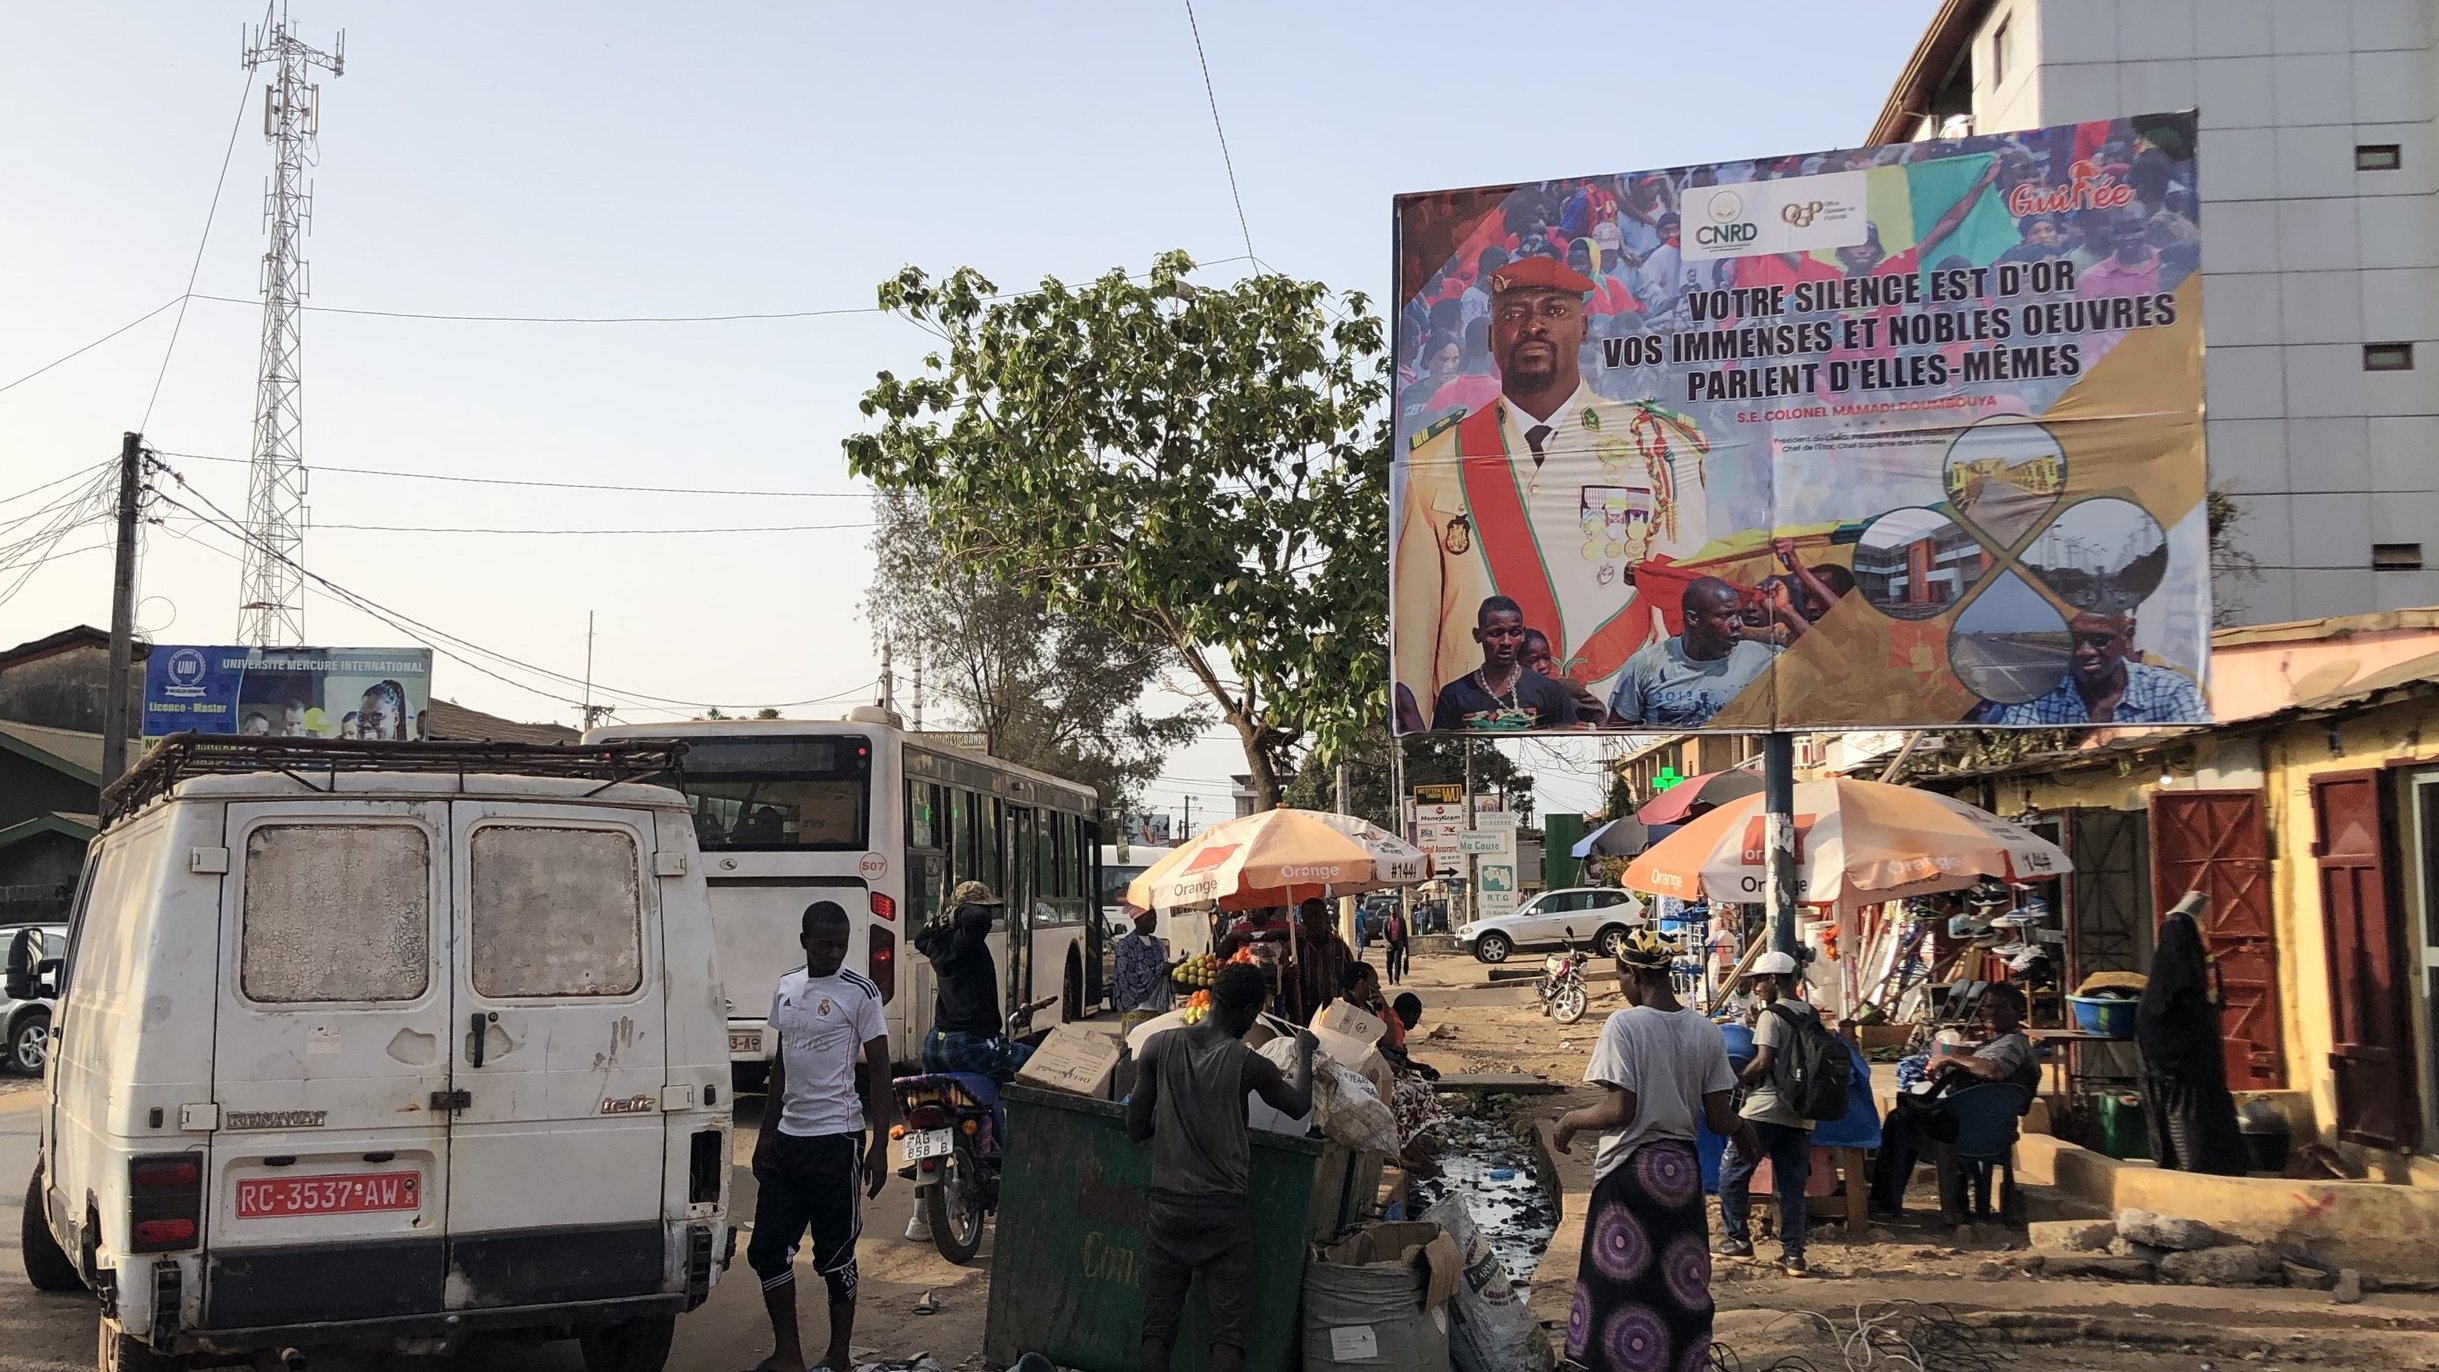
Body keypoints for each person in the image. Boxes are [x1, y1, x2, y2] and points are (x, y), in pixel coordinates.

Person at [1392, 255, 1713, 732]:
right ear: (1490, 335)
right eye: (1514, 313)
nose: (1533, 326)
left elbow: (1678, 604)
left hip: (1613, 720)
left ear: (1583, 327)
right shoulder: (1439, 455)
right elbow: (1414, 625)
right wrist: (1419, 735)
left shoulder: (1656, 445)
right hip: (1478, 728)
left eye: (1555, 311)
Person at [1551, 930, 1757, 1372]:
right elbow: (1720, 1119)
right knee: (1680, 1282)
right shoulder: (1705, 1030)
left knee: (1619, 1283)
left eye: (1620, 974)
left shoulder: (1624, 1025)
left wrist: (1570, 1120)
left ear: (1633, 974)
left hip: (1631, 1172)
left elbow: (1619, 1109)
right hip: (1680, 1173)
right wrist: (1742, 1130)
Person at [1129, 965, 1316, 1372]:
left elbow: (1135, 1128)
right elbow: (1299, 1105)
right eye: (1255, 1014)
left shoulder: (1157, 1048)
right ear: (1248, 1011)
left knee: (1158, 1330)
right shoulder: (1249, 1065)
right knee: (1227, 1335)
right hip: (1223, 1214)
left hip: (1167, 1208)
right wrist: (1304, 1052)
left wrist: (1172, 1115)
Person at [748, 901, 892, 1372]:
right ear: (804, 940)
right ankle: (787, 1352)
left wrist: (879, 1145)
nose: (833, 952)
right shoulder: (787, 987)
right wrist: (765, 1137)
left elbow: (880, 1072)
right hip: (789, 1141)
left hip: (838, 1141)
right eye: (825, 943)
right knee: (767, 1250)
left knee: (835, 1257)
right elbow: (782, 1063)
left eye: (841, 944)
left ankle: (838, 1355)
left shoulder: (861, 993)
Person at [1868, 984, 2037, 1218]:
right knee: (1909, 1111)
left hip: (1976, 1128)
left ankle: (1884, 1202)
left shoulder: (2011, 1045)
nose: (1991, 1013)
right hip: (1977, 1123)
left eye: (2000, 1008)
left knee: (1901, 1120)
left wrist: (1949, 1057)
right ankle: (1951, 1202)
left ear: (2018, 1011)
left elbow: (1993, 1070)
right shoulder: (1997, 1043)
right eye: (1987, 1007)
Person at [1716, 951, 1818, 1276]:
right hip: (1801, 1113)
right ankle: (1794, 1256)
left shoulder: (1771, 1017)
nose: (1757, 987)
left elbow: (1763, 1061)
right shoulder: (1810, 1014)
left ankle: (1738, 1241)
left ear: (1774, 980)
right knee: (1791, 1187)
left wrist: (1735, 1080)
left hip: (1765, 1108)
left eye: (1760, 980)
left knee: (1732, 1173)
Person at [2137, 905, 2249, 1175]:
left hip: (2190, 1069)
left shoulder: (2181, 983)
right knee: (2186, 1121)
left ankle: (2202, 1163)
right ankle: (2191, 1163)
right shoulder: (2177, 987)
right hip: (2177, 1070)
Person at [1972, 611, 2205, 725]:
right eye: (2074, 641)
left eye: (2100, 640)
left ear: (2126, 639)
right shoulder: (2039, 697)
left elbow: (2198, 745)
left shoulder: (2171, 691)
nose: (2085, 651)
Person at [1608, 578, 1781, 728]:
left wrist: (1785, 610)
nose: (1736, 623)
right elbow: (1615, 731)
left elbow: (1808, 661)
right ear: (1693, 618)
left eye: (1737, 614)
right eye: (1725, 615)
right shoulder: (1646, 664)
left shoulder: (1762, 658)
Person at [915, 882, 1028, 1083]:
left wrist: (941, 921)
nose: (990, 916)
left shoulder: (938, 945)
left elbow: (920, 938)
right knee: (1037, 1063)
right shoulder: (967, 941)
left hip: (935, 1044)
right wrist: (956, 913)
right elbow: (978, 918)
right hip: (969, 1045)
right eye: (986, 908)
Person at [1429, 596, 1583, 732]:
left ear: (1522, 634)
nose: (1506, 642)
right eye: (1496, 633)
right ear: (1478, 635)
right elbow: (1439, 755)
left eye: (1514, 633)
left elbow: (1568, 748)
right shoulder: (1455, 695)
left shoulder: (1549, 692)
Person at [1522, 629, 1607, 726]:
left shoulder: (1564, 687)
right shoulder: (1511, 690)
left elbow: (1599, 713)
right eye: (1533, 660)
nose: (1542, 665)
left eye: (1546, 658)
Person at [1292, 898, 1353, 1026]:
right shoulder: (1295, 947)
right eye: (1309, 917)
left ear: (1325, 916)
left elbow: (1351, 979)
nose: (1314, 921)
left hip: (1336, 1012)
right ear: (1303, 919)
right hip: (1305, 1014)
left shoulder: (1339, 947)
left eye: (1317, 916)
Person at [1112, 907, 1174, 1026]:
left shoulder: (1157, 944)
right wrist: (1160, 970)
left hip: (1157, 1009)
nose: (1154, 922)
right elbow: (1127, 978)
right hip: (1136, 1010)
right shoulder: (1125, 946)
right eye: (1150, 919)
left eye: (1155, 919)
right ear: (1137, 920)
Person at [1382, 903, 1411, 985]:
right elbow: (1384, 933)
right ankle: (1390, 976)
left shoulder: (1401, 921)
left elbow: (1405, 935)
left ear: (1397, 910)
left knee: (1397, 962)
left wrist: (1406, 948)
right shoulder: (1386, 921)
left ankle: (1396, 979)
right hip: (1390, 945)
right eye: (1391, 909)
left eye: (1394, 909)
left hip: (1398, 944)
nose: (1393, 910)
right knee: (1389, 963)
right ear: (1389, 910)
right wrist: (1388, 942)